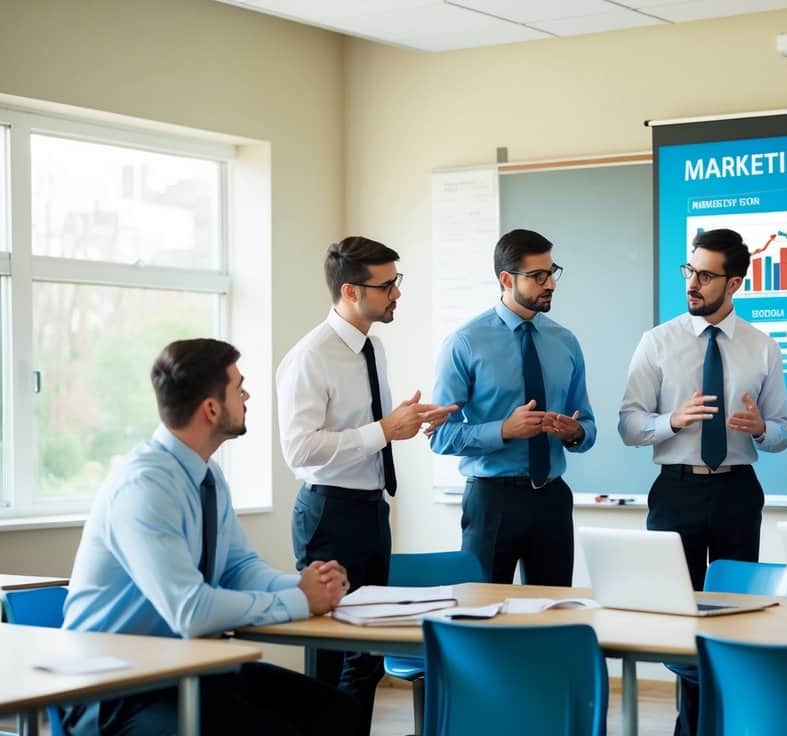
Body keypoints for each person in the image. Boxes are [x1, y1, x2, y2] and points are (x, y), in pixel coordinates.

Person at [61, 339, 358, 736]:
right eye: (239, 387)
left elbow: (239, 568)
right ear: (211, 408)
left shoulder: (207, 476)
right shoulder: (144, 487)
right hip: (114, 693)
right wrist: (300, 600)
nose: (247, 394)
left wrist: (310, 585)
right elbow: (191, 612)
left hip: (185, 669)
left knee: (338, 710)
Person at [277, 236, 454, 734]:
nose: (397, 293)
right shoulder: (310, 357)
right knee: (330, 659)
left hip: (372, 510)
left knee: (368, 656)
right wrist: (382, 431)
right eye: (388, 285)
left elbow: (369, 426)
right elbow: (299, 450)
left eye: (397, 281)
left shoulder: (372, 347)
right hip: (329, 514)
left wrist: (408, 421)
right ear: (352, 291)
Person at [619, 227, 787, 736]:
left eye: (706, 275)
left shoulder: (762, 348)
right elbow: (629, 424)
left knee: (736, 619)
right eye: (689, 270)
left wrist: (763, 428)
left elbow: (782, 433)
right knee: (682, 620)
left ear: (734, 281)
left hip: (738, 488)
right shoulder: (658, 342)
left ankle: (731, 722)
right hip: (677, 489)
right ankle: (689, 726)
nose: (692, 282)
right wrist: (671, 421)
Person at [430, 229, 596, 585]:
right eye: (538, 276)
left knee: (554, 613)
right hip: (492, 501)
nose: (550, 283)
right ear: (506, 279)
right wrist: (504, 430)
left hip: (551, 497)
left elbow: (589, 425)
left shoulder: (565, 342)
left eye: (552, 272)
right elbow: (439, 435)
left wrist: (576, 432)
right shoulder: (464, 343)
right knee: (483, 613)